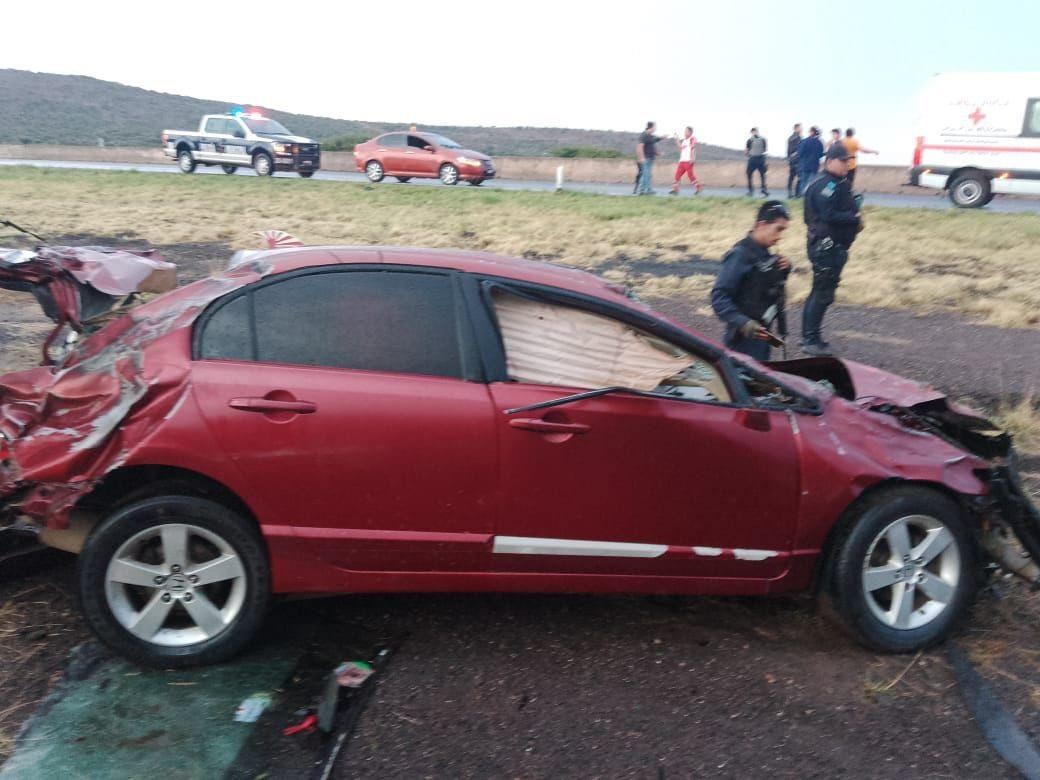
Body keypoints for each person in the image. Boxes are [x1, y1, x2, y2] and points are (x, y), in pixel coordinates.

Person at [801, 144, 863, 356]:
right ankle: (810, 340)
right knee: (821, 294)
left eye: (849, 161)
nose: (848, 165)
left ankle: (812, 337)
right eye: (844, 161)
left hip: (831, 247)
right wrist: (854, 218)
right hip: (825, 247)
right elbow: (827, 215)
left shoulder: (834, 183)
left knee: (820, 293)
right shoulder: (825, 185)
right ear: (831, 161)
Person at [710, 200, 792, 361]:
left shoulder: (764, 254)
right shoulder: (740, 255)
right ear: (761, 225)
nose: (779, 237)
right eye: (778, 229)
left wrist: (784, 270)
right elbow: (719, 297)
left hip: (762, 337)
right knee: (742, 381)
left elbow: (765, 288)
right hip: (742, 341)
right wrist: (743, 323)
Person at [670, 126, 703, 195]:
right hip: (682, 160)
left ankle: (698, 187)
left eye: (686, 131)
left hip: (688, 160)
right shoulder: (685, 140)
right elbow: (681, 147)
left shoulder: (692, 138)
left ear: (690, 132)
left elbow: (693, 148)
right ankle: (675, 190)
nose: (684, 132)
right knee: (677, 175)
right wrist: (677, 139)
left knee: (690, 175)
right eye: (684, 131)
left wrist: (692, 158)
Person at [636, 121, 663, 195]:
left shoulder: (650, 136)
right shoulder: (644, 135)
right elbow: (640, 146)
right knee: (646, 175)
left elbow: (653, 143)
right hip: (646, 158)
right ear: (652, 127)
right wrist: (641, 158)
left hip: (650, 158)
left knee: (647, 175)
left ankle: (644, 190)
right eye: (655, 126)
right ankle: (646, 190)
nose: (656, 128)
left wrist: (657, 153)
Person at [795, 126, 824, 197]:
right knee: (811, 183)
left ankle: (802, 196)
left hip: (804, 165)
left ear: (811, 132)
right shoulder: (819, 143)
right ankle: (809, 197)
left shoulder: (804, 141)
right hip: (814, 165)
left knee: (803, 182)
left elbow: (800, 153)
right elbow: (820, 154)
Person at [745, 128, 768, 196]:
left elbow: (765, 150)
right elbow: (746, 150)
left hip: (760, 158)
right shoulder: (749, 140)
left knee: (763, 175)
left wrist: (764, 160)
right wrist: (749, 155)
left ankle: (763, 190)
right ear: (751, 132)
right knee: (749, 174)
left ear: (757, 132)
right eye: (753, 132)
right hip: (753, 159)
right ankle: (751, 190)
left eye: (755, 132)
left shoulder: (763, 139)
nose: (754, 133)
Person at [786, 123, 802, 198]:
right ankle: (796, 193)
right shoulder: (796, 138)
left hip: (793, 160)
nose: (801, 129)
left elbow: (788, 151)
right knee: (798, 177)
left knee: (792, 177)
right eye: (800, 128)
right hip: (796, 161)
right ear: (795, 129)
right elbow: (797, 150)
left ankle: (791, 193)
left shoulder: (792, 137)